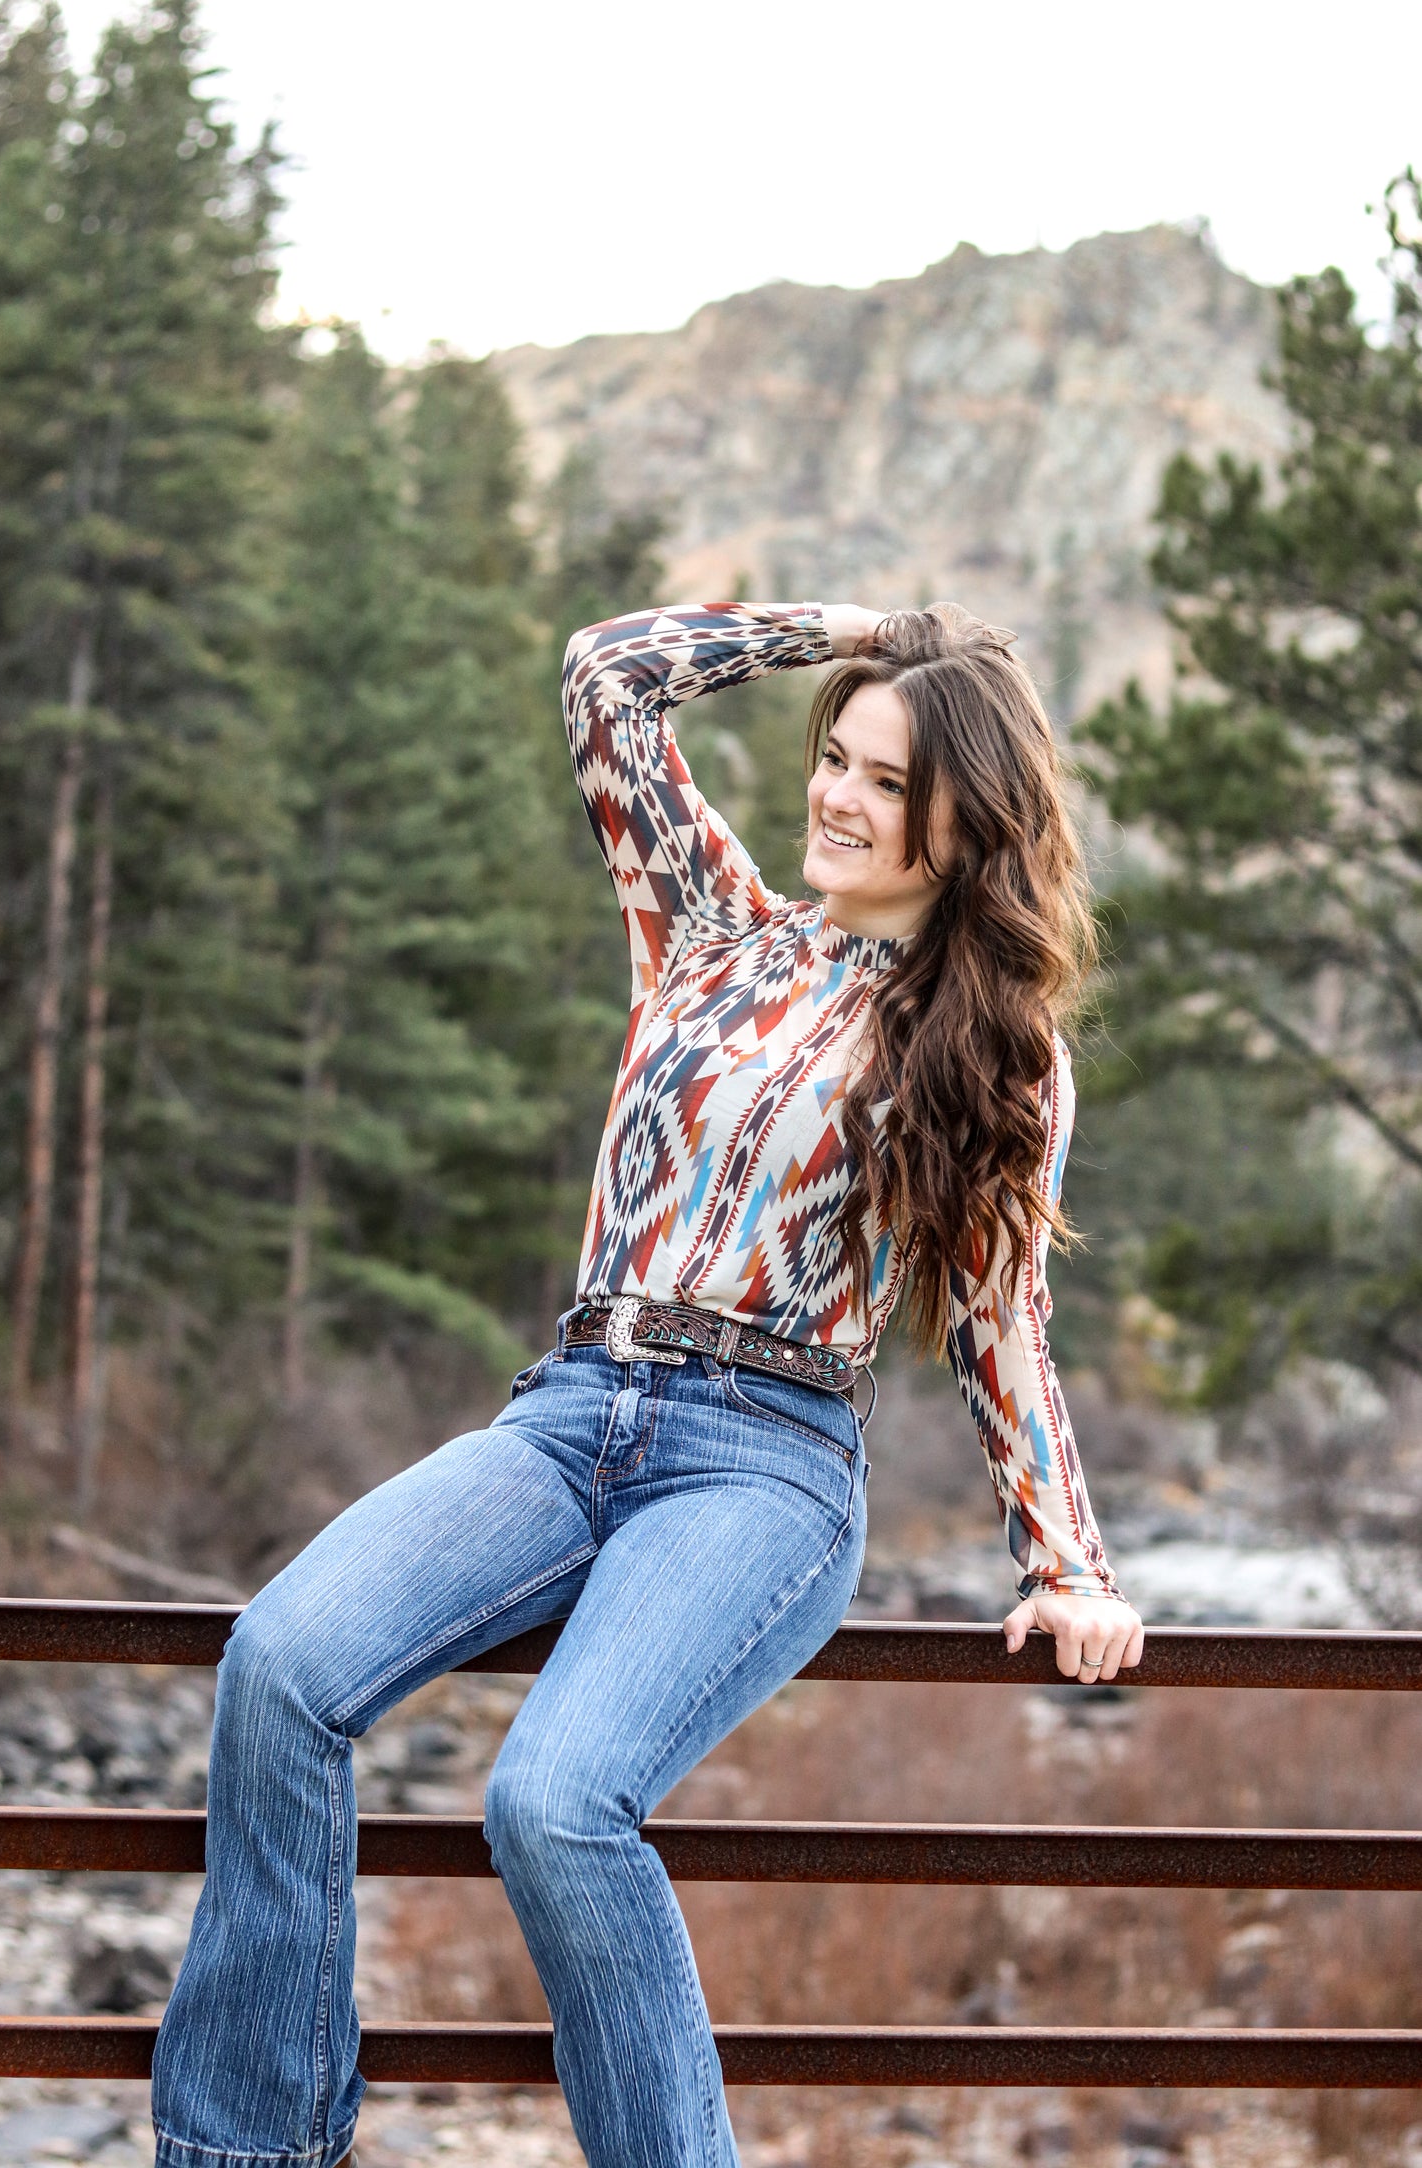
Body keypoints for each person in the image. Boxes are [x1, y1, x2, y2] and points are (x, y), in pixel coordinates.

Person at [150, 600, 1143, 2168]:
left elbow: (997, 1317)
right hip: (565, 1411)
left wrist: (1065, 1558)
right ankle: (250, 2149)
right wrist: (865, 632)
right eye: (835, 756)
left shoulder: (991, 1049)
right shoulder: (706, 928)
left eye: (884, 780)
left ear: (963, 823)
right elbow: (606, 675)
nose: (834, 792)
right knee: (278, 1668)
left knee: (552, 1803)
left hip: (761, 1464)